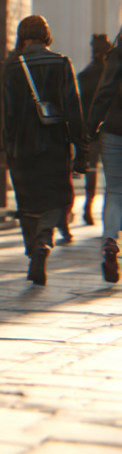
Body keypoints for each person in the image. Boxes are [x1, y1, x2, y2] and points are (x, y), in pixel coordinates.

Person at [0, 16, 87, 285]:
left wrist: (6, 147)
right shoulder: (61, 63)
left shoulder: (11, 67)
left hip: (21, 147)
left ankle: (31, 247)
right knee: (54, 199)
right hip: (54, 145)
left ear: (21, 35)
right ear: (46, 35)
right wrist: (80, 147)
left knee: (27, 202)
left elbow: (6, 112)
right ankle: (43, 242)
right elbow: (73, 107)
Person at [84, 28, 122, 284]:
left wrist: (90, 127)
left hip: (114, 130)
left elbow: (105, 91)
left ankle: (110, 242)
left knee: (115, 189)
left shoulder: (118, 54)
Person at [76, 34, 112, 231]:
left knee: (91, 170)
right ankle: (108, 214)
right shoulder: (111, 75)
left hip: (90, 130)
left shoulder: (84, 75)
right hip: (111, 130)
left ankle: (88, 207)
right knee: (112, 175)